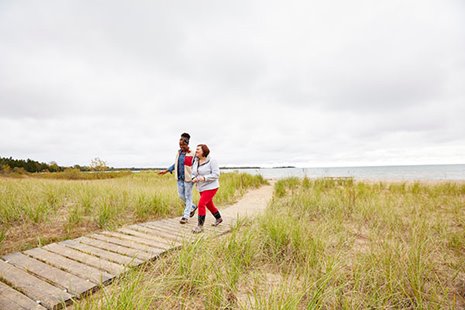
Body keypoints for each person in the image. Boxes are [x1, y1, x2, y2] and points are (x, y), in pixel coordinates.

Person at [159, 133, 197, 224]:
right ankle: (193, 207)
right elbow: (175, 164)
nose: (180, 145)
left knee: (188, 196)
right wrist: (167, 170)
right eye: (180, 143)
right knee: (181, 196)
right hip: (179, 178)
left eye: (182, 144)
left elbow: (196, 166)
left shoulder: (192, 153)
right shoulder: (178, 152)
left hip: (188, 179)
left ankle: (185, 216)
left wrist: (196, 176)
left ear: (186, 143)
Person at [191, 144, 222, 233]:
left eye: (198, 150)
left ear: (204, 151)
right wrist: (193, 178)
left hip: (212, 186)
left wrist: (204, 178)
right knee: (209, 205)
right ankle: (218, 218)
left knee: (201, 204)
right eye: (196, 149)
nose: (196, 151)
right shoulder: (196, 161)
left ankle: (200, 226)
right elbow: (193, 173)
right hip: (201, 187)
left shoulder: (212, 161)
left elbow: (216, 174)